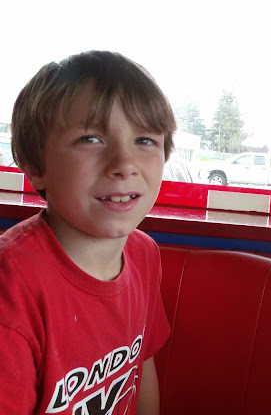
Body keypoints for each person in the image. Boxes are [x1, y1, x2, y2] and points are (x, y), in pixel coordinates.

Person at [0, 50, 176, 414]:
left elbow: (141, 365)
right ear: (35, 166)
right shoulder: (12, 289)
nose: (124, 164)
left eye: (144, 140)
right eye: (90, 139)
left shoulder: (144, 254)